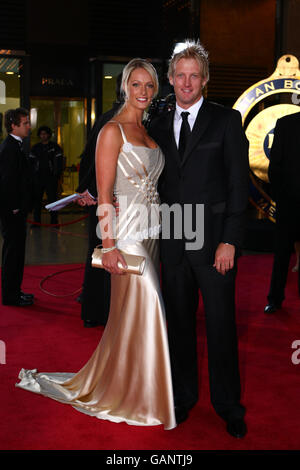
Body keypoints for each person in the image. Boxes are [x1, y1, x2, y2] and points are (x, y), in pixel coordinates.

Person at [16, 59, 176, 430]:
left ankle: (134, 386)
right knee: (148, 301)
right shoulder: (111, 131)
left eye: (149, 85)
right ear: (124, 87)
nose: (143, 92)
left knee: (130, 318)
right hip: (126, 236)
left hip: (152, 232)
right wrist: (109, 246)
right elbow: (104, 194)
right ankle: (142, 397)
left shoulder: (148, 130)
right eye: (136, 84)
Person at [149, 40, 249, 438]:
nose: (187, 82)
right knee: (179, 325)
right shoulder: (156, 125)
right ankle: (183, 397)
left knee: (222, 327)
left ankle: (229, 406)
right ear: (170, 79)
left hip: (215, 245)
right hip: (174, 239)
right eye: (180, 75)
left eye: (194, 75)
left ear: (204, 80)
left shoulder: (227, 120)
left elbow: (238, 185)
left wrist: (231, 241)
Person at [76, 75, 123, 328]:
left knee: (97, 254)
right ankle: (104, 312)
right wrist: (93, 192)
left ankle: (94, 310)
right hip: (109, 202)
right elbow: (101, 162)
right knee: (107, 254)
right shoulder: (118, 121)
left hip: (99, 198)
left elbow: (87, 157)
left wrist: (86, 190)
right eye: (137, 84)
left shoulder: (106, 117)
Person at [264, 112, 300, 314]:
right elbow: (274, 166)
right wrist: (281, 198)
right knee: (281, 255)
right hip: (289, 204)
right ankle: (274, 299)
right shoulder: (286, 124)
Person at [0, 108, 34, 306]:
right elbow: (7, 181)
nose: (29, 126)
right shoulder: (9, 148)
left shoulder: (16, 146)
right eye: (25, 123)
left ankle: (15, 291)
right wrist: (13, 206)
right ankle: (10, 295)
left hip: (17, 209)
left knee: (17, 252)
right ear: (13, 126)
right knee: (12, 253)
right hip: (12, 210)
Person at [30, 126, 64, 226]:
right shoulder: (35, 148)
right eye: (41, 134)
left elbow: (59, 162)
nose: (43, 136)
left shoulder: (55, 147)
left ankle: (54, 220)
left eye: (45, 134)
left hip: (51, 178)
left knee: (53, 200)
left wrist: (57, 175)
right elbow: (31, 163)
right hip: (38, 178)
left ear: (48, 135)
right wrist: (33, 176)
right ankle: (36, 221)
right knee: (37, 201)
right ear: (39, 135)